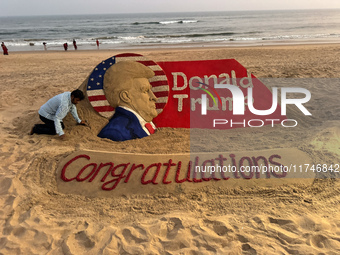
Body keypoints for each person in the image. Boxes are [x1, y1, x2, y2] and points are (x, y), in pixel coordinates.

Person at [97, 61, 158, 141]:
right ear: (126, 97)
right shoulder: (115, 133)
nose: (154, 97)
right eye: (145, 91)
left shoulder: (145, 123)